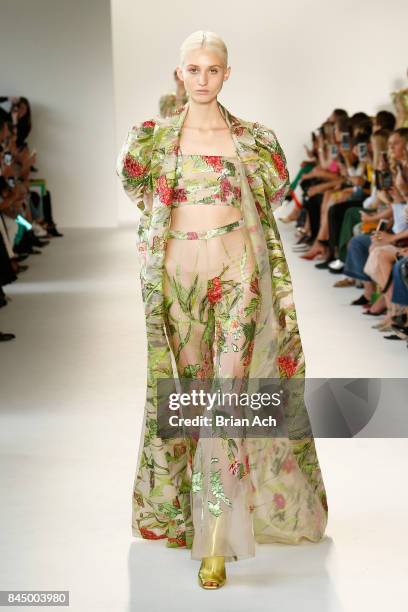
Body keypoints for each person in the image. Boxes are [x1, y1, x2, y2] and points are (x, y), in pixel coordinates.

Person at [117, 30, 328, 590]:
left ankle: (217, 537)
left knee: (225, 402)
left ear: (226, 74)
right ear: (179, 74)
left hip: (239, 278)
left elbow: (270, 195)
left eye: (213, 69)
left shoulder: (256, 141)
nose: (203, 78)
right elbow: (141, 196)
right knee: (190, 398)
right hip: (177, 282)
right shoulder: (152, 140)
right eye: (194, 69)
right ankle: (193, 516)